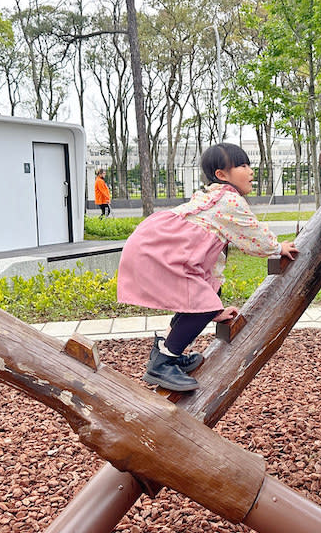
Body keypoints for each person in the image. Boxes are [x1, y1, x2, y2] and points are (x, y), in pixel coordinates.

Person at [117, 143, 298, 392]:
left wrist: (216, 310)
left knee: (202, 299)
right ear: (222, 175)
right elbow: (253, 234)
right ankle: (163, 363)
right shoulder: (228, 199)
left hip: (159, 249)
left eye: (249, 164)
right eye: (242, 165)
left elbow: (210, 261)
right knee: (201, 303)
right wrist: (277, 249)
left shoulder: (213, 196)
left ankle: (168, 350)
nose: (250, 171)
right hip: (161, 254)